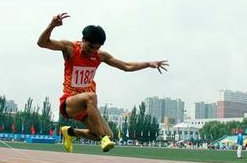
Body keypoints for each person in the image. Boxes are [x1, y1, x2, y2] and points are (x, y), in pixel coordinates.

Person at [37, 12, 168, 153]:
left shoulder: (100, 56)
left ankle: (70, 132)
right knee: (91, 97)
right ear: (83, 40)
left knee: (110, 136)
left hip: (87, 107)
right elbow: (42, 43)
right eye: (90, 47)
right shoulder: (70, 48)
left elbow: (126, 66)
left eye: (97, 47)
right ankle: (103, 138)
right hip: (70, 102)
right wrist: (52, 26)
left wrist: (148, 63)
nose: (93, 51)